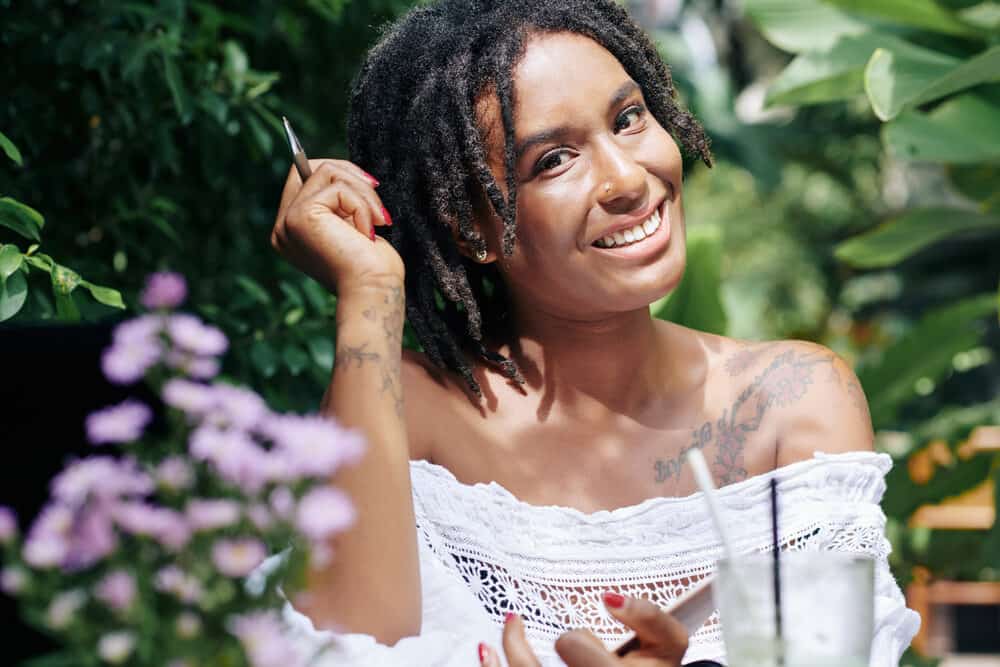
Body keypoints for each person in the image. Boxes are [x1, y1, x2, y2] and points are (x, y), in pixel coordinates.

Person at [269, 0, 920, 664]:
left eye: (629, 119)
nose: (629, 179)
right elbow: (336, 650)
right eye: (553, 160)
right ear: (471, 227)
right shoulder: (412, 411)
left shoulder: (794, 400)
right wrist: (373, 294)